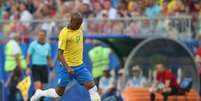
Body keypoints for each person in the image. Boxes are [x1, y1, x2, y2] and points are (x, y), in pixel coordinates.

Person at [30, 12, 100, 101]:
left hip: (80, 66)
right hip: (67, 67)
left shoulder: (79, 27)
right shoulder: (64, 33)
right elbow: (59, 54)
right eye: (77, 24)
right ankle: (40, 93)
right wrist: (68, 67)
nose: (79, 26)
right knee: (58, 94)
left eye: (80, 24)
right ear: (71, 21)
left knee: (93, 88)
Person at [26, 30, 54, 101]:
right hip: (36, 67)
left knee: (43, 89)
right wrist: (28, 67)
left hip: (44, 68)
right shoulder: (33, 44)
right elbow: (28, 56)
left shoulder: (47, 46)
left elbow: (49, 58)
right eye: (40, 35)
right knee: (37, 88)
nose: (41, 37)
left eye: (43, 35)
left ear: (45, 36)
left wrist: (52, 70)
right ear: (38, 36)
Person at [4, 33, 27, 101]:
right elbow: (17, 57)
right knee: (15, 87)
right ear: (16, 38)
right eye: (19, 37)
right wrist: (19, 68)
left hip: (11, 67)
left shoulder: (9, 44)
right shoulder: (14, 44)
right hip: (15, 68)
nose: (20, 39)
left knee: (14, 85)